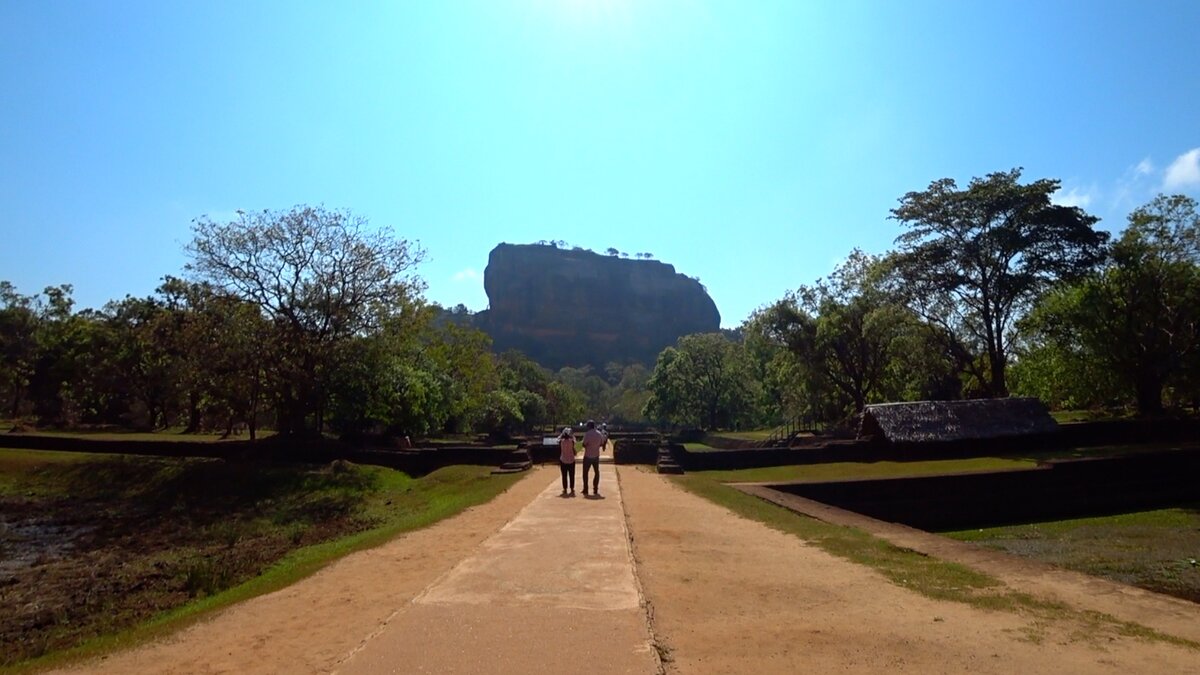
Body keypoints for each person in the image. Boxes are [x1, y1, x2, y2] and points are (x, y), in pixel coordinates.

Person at [582, 419, 604, 496]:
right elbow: (601, 443)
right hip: (596, 455)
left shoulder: (587, 434)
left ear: (589, 426)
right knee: (596, 472)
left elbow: (584, 444)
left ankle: (585, 489)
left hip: (588, 455)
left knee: (585, 473)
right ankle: (595, 489)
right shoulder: (599, 434)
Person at [558, 427, 576, 497]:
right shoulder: (572, 441)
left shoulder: (561, 442)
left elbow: (558, 439)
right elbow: (574, 439)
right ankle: (572, 488)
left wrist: (561, 435)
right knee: (572, 475)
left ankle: (565, 488)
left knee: (564, 475)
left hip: (563, 460)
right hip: (571, 459)